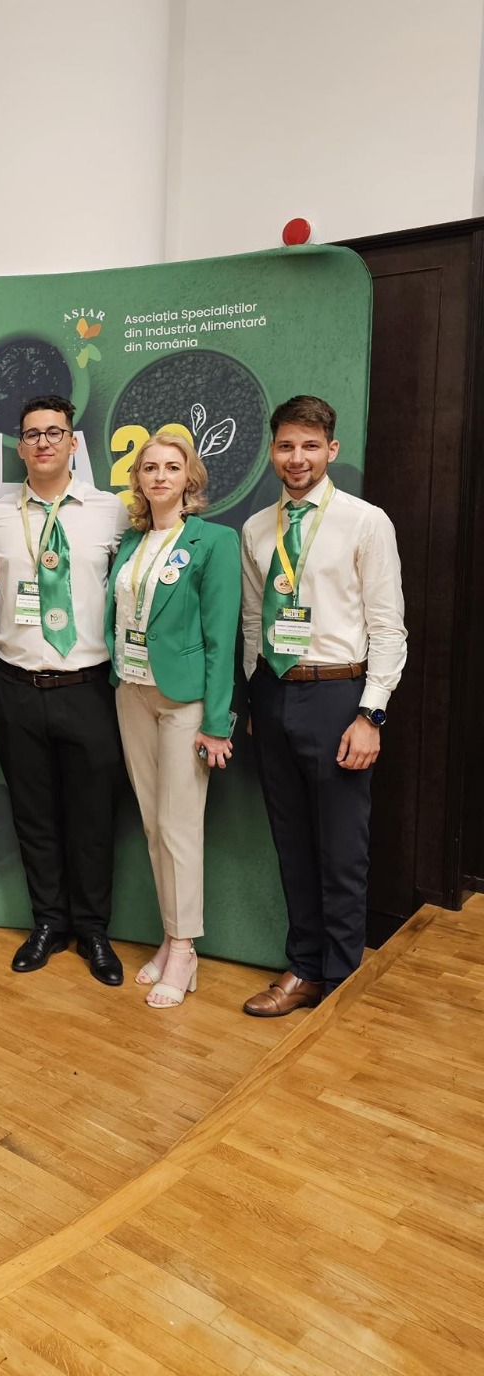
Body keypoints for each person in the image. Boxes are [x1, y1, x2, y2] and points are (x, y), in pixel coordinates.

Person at [240, 395, 406, 1015]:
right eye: (286, 445)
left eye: (310, 446)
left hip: (340, 696)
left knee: (341, 851)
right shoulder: (258, 529)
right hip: (274, 693)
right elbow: (253, 622)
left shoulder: (366, 522)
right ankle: (305, 968)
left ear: (331, 450)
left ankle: (341, 983)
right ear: (272, 451)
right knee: (292, 844)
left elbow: (388, 628)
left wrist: (371, 714)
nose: (297, 457)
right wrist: (256, 695)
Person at [0, 394, 130, 983]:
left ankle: (93, 930)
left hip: (89, 688)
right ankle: (48, 923)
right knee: (33, 814)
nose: (43, 442)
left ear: (73, 442)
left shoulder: (110, 511)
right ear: (20, 447)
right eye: (33, 434)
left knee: (93, 818)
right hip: (17, 688)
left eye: (54, 432)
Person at [103, 431, 240, 1008]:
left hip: (185, 702)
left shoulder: (215, 541)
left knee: (180, 825)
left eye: (172, 467)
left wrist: (217, 722)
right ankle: (170, 937)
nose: (160, 476)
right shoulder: (133, 542)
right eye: (150, 467)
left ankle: (184, 950)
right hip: (132, 691)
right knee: (155, 825)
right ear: (137, 479)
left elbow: (222, 638)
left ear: (190, 478)